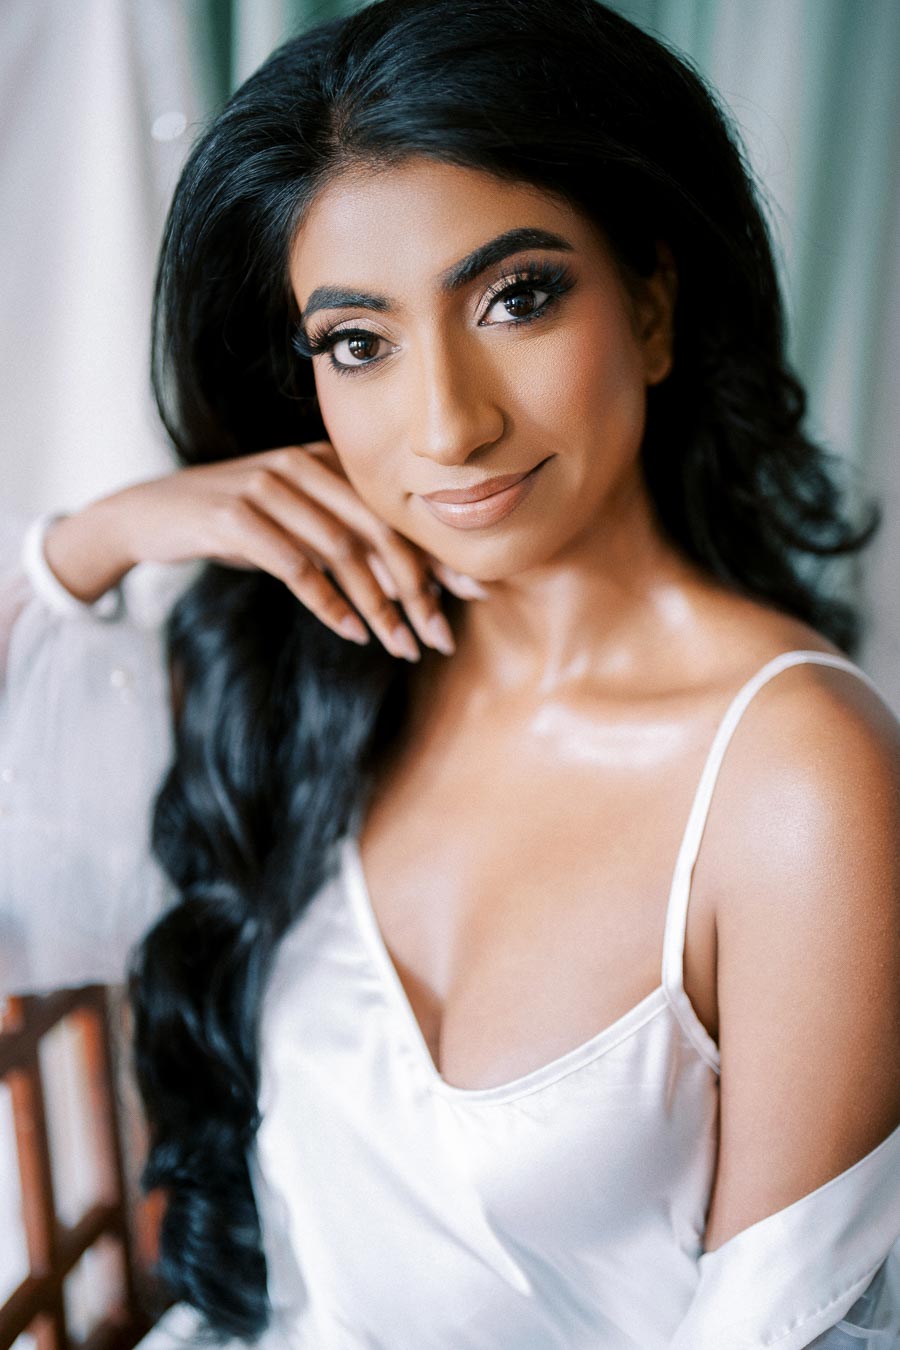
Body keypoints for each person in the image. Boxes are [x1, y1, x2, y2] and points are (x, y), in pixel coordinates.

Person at [1, 0, 899, 1345]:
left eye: (517, 295)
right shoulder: (309, 677)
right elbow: (27, 897)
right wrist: (105, 537)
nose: (452, 424)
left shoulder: (797, 776)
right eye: (358, 342)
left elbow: (791, 1321)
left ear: (652, 306)